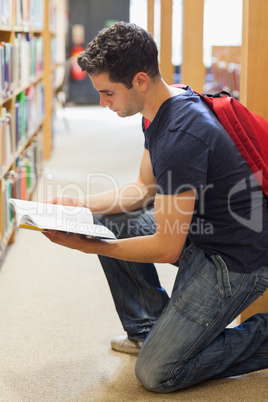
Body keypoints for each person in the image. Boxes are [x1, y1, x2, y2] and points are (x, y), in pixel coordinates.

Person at [43, 22, 268, 393]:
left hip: (235, 259)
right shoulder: (158, 109)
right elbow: (142, 189)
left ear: (141, 80)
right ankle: (149, 328)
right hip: (201, 233)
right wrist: (77, 205)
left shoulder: (183, 135)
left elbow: (166, 247)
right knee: (106, 220)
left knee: (157, 372)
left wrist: (91, 245)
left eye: (108, 93)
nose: (103, 103)